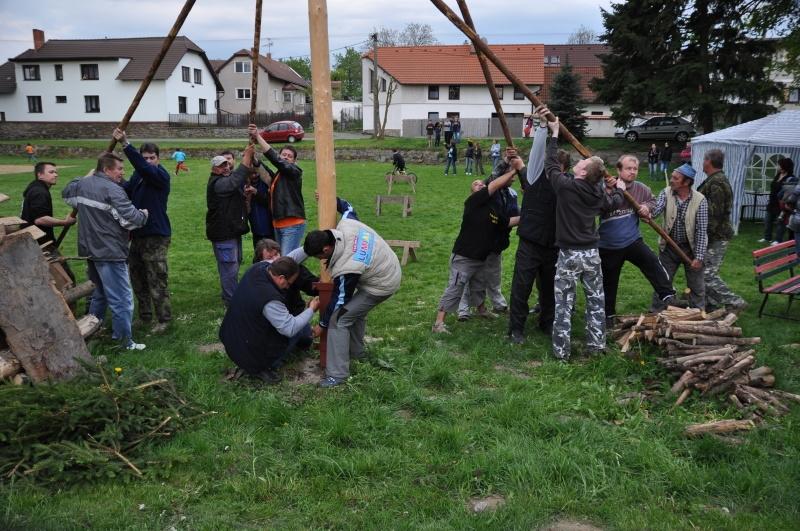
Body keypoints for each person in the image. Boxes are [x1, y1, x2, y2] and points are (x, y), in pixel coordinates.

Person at [545, 117, 626, 361]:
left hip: (569, 254)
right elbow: (613, 203)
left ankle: (562, 352)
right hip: (591, 253)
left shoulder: (566, 187)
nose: (579, 160)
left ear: (582, 172)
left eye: (583, 161)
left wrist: (554, 134)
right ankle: (596, 346)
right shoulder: (597, 194)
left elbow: (550, 165)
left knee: (563, 303)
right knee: (595, 300)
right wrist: (619, 189)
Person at [62, 153, 149, 350]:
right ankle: (124, 341)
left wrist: (85, 177)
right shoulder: (113, 190)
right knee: (122, 299)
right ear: (107, 169)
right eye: (119, 169)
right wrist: (143, 215)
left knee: (99, 293)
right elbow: (132, 219)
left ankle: (93, 330)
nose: (122, 173)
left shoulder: (82, 185)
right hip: (110, 252)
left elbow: (67, 193)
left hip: (89, 250)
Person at [303, 217, 402, 388]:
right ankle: (357, 354)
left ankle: (337, 375)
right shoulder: (346, 223)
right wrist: (337, 202)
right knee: (354, 312)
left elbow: (339, 300)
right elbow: (347, 206)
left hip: (382, 285)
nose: (319, 260)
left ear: (326, 249)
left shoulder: (346, 267)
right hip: (388, 266)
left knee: (338, 319)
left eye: (318, 256)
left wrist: (322, 324)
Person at [432, 158, 524, 333]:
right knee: (455, 286)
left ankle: (481, 310)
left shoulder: (492, 210)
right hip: (465, 256)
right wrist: (514, 171)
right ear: (472, 191)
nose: (480, 184)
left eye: (481, 183)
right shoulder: (473, 202)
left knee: (479, 285)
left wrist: (529, 216)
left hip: (482, 256)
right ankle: (438, 323)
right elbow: (493, 183)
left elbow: (507, 222)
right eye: (476, 184)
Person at [598, 154, 676, 325]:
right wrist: (612, 191)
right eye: (628, 169)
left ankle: (668, 295)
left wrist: (646, 207)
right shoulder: (605, 187)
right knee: (608, 282)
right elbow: (598, 208)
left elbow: (652, 201)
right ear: (619, 170)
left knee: (652, 262)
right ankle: (608, 316)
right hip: (608, 245)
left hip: (632, 240)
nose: (632, 172)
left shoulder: (641, 188)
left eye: (635, 169)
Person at [219, 256, 319, 385]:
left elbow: (290, 256)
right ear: (281, 278)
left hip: (231, 338)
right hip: (252, 355)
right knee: (302, 330)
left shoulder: (259, 267)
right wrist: (311, 309)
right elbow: (290, 329)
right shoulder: (270, 299)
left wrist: (306, 250)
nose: (287, 287)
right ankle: (263, 365)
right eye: (288, 283)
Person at [508, 106, 561, 344]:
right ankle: (516, 329)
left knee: (549, 288)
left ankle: (547, 322)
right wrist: (542, 126)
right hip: (530, 242)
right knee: (522, 286)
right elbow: (538, 153)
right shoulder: (534, 177)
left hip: (553, 245)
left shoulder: (564, 184)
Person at [114, 129, 173, 332]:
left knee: (156, 278)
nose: (148, 161)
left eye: (152, 158)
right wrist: (111, 177)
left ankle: (164, 319)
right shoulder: (138, 175)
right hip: (137, 233)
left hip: (155, 235)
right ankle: (145, 316)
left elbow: (144, 168)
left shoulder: (160, 175)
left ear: (158, 159)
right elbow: (127, 190)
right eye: (145, 158)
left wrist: (125, 144)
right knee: (137, 277)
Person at [648, 163, 708, 310]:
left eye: (676, 178)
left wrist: (699, 257)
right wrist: (647, 210)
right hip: (669, 248)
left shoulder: (700, 200)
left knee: (696, 286)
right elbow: (655, 211)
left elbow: (701, 231)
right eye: (672, 177)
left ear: (686, 182)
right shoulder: (666, 193)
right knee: (662, 281)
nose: (671, 180)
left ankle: (697, 314)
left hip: (691, 249)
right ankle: (655, 313)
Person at [697, 149, 746, 311]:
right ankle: (709, 304)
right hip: (714, 234)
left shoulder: (716, 182)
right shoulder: (714, 179)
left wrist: (704, 236)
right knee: (703, 272)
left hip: (716, 235)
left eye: (704, 160)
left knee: (707, 274)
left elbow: (714, 214)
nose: (703, 163)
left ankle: (735, 302)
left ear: (709, 162)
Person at [248, 123, 305, 255]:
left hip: (292, 224)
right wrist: (253, 158)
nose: (285, 157)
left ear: (294, 161)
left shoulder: (295, 172)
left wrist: (258, 136)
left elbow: (275, 159)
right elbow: (266, 173)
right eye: (284, 154)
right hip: (278, 224)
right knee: (282, 259)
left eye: (289, 156)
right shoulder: (279, 176)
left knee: (286, 260)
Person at [206, 148, 253, 307]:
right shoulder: (218, 183)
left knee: (233, 264)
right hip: (223, 234)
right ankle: (232, 301)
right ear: (214, 169)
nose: (226, 168)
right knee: (229, 267)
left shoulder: (224, 180)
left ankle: (230, 295)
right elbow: (235, 180)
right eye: (221, 166)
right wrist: (247, 157)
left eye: (227, 164)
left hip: (231, 231)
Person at [21, 162, 76, 246]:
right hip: (37, 243)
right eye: (51, 172)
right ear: (40, 175)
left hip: (32, 239)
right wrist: (65, 222)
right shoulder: (39, 192)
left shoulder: (35, 186)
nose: (56, 175)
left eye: (56, 172)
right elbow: (40, 219)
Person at [761, 157, 796, 244]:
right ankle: (767, 237)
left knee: (780, 222)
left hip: (781, 203)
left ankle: (778, 240)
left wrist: (786, 203)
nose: (777, 166)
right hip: (772, 202)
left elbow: (790, 192)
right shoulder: (778, 175)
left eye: (779, 165)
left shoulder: (791, 178)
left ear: (784, 167)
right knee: (767, 220)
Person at [244, 164, 274, 256]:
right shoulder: (245, 185)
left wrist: (256, 192)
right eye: (251, 174)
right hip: (255, 226)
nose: (254, 176)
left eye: (256, 173)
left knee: (271, 251)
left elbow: (268, 201)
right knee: (259, 252)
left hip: (269, 226)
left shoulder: (265, 183)